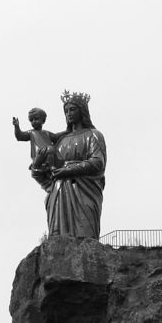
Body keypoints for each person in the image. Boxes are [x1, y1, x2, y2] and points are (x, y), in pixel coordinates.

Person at [45, 91, 106, 239]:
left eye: (72, 109)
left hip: (84, 189)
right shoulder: (60, 140)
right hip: (60, 189)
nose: (68, 113)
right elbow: (49, 170)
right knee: (59, 237)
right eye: (66, 111)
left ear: (82, 110)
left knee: (85, 234)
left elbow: (98, 162)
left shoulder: (93, 135)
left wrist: (68, 170)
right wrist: (38, 167)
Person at [12, 108, 58, 190]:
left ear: (43, 120)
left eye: (36, 119)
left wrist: (68, 131)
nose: (33, 121)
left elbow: (57, 137)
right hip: (39, 154)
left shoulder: (46, 133)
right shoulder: (31, 133)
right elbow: (20, 136)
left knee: (51, 149)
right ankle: (51, 167)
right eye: (31, 120)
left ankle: (51, 168)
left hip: (49, 154)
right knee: (50, 149)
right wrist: (16, 126)